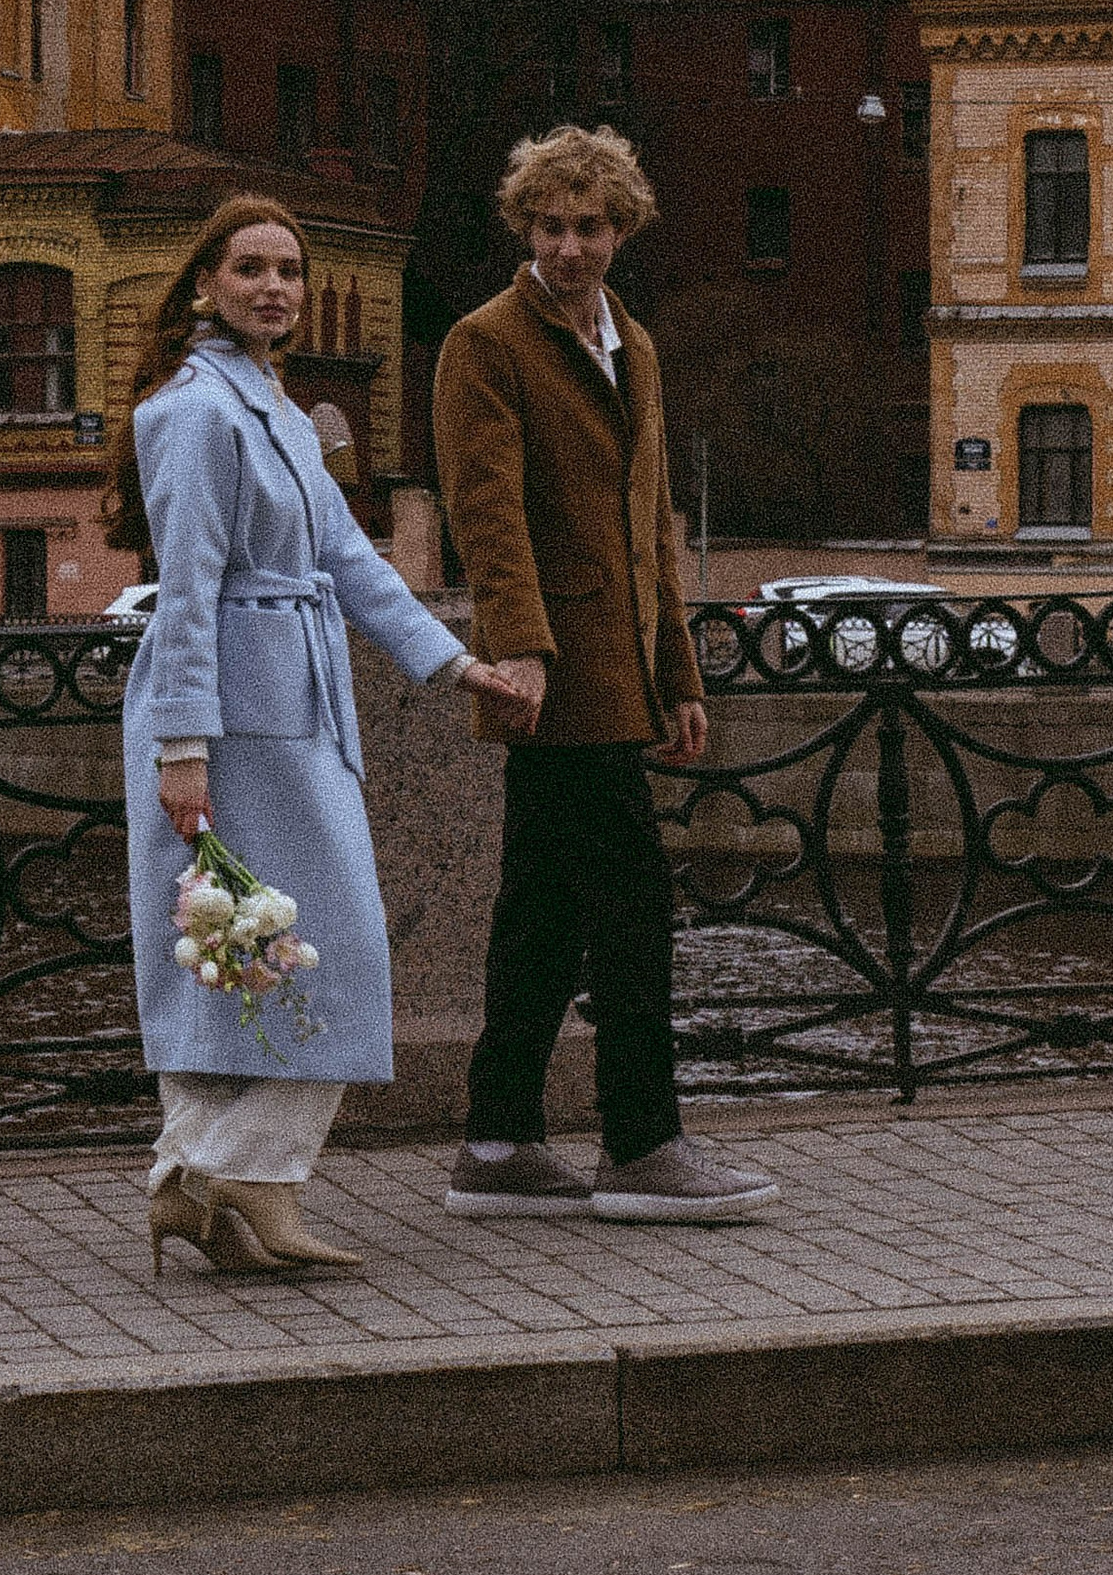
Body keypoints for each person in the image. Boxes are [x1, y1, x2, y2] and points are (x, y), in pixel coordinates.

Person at [106, 197, 530, 1273]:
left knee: (249, 949)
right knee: (274, 949)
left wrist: (452, 660)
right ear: (204, 283)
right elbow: (188, 588)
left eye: (289, 270)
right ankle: (251, 1172)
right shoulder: (197, 412)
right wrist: (182, 747)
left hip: (289, 699)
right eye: (249, 268)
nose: (273, 288)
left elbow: (349, 563)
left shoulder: (281, 414)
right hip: (236, 715)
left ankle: (187, 1186)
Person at [431, 124, 779, 1221]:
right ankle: (639, 1144)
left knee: (539, 908)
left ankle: (495, 1144)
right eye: (549, 227)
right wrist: (519, 648)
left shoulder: (634, 343)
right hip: (555, 677)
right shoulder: (485, 343)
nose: (569, 247)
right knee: (630, 908)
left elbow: (648, 531)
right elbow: (485, 512)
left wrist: (680, 676)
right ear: (524, 230)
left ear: (622, 230)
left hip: (619, 672)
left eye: (589, 226)